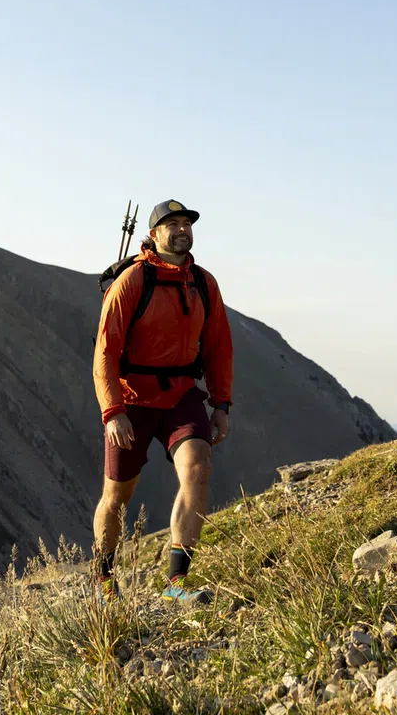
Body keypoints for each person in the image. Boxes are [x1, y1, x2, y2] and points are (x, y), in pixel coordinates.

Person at [91, 200, 233, 602]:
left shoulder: (204, 283)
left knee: (199, 467)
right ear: (154, 235)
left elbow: (219, 346)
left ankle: (176, 584)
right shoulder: (133, 281)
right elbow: (105, 352)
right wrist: (113, 411)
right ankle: (103, 578)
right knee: (117, 495)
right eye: (172, 224)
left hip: (181, 396)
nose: (182, 229)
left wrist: (221, 404)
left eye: (186, 223)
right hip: (132, 401)